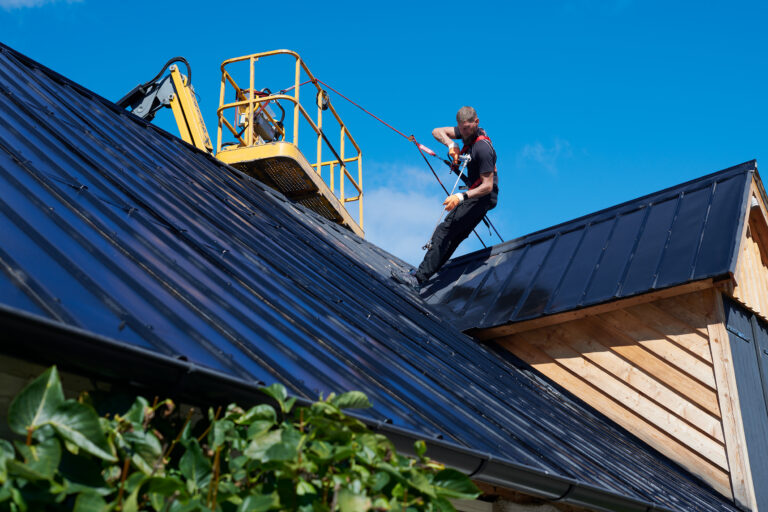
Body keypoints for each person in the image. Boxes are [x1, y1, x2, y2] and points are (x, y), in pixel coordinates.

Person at [392, 106, 498, 289]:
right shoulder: (464, 133)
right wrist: (451, 144)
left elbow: (488, 186)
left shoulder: (482, 148)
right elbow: (436, 131)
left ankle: (417, 279)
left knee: (444, 230)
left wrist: (461, 197)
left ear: (477, 122)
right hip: (474, 193)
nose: (464, 132)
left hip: (482, 195)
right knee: (453, 235)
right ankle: (426, 273)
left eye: (468, 128)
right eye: (461, 129)